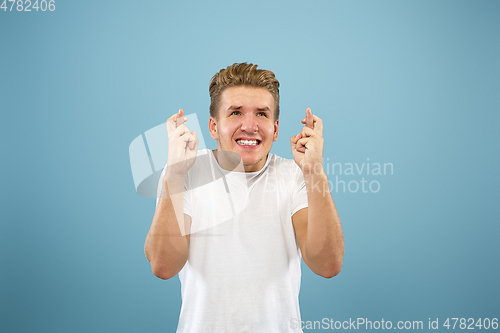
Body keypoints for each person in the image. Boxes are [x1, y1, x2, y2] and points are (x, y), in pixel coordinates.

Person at [144, 62, 344, 332]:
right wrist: (175, 175)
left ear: (275, 129)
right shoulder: (186, 173)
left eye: (261, 114)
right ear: (213, 127)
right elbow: (164, 266)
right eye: (236, 112)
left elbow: (327, 265)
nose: (250, 126)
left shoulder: (295, 175)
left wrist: (315, 172)